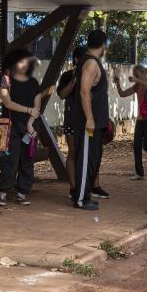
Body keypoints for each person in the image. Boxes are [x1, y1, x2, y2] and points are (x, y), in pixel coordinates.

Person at [0, 49, 43, 207]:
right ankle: (3, 192)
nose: (24, 64)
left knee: (27, 160)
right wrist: (28, 111)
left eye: (26, 61)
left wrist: (30, 123)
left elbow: (37, 106)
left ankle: (22, 193)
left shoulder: (33, 82)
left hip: (29, 128)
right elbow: (8, 103)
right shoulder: (5, 80)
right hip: (11, 127)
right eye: (21, 61)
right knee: (10, 160)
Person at [71, 29, 110, 211]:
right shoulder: (91, 63)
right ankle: (80, 198)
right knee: (86, 160)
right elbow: (84, 91)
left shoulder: (92, 62)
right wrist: (90, 118)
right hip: (88, 123)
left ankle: (85, 195)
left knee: (93, 160)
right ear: (103, 45)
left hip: (96, 122)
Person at [113, 65, 147, 180]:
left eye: (137, 74)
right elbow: (122, 94)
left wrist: (137, 80)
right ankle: (139, 173)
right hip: (140, 120)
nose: (135, 76)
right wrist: (117, 83)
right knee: (136, 146)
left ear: (143, 73)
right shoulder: (137, 86)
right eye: (135, 74)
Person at [56, 46, 86, 195]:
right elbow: (62, 94)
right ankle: (73, 187)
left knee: (86, 153)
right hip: (71, 120)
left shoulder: (91, 75)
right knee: (73, 152)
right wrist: (74, 79)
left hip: (87, 121)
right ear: (77, 59)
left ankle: (87, 186)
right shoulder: (67, 76)